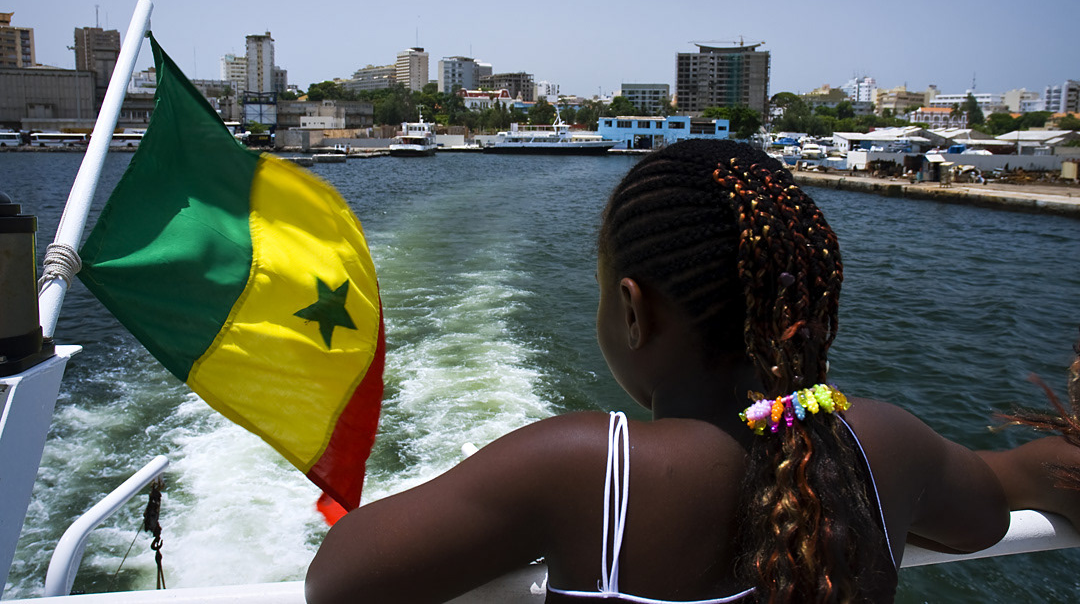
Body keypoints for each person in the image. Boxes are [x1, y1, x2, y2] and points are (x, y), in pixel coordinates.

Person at [306, 139, 1080, 604]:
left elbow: (340, 581)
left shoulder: (582, 468)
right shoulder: (883, 443)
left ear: (632, 311)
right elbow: (1001, 500)